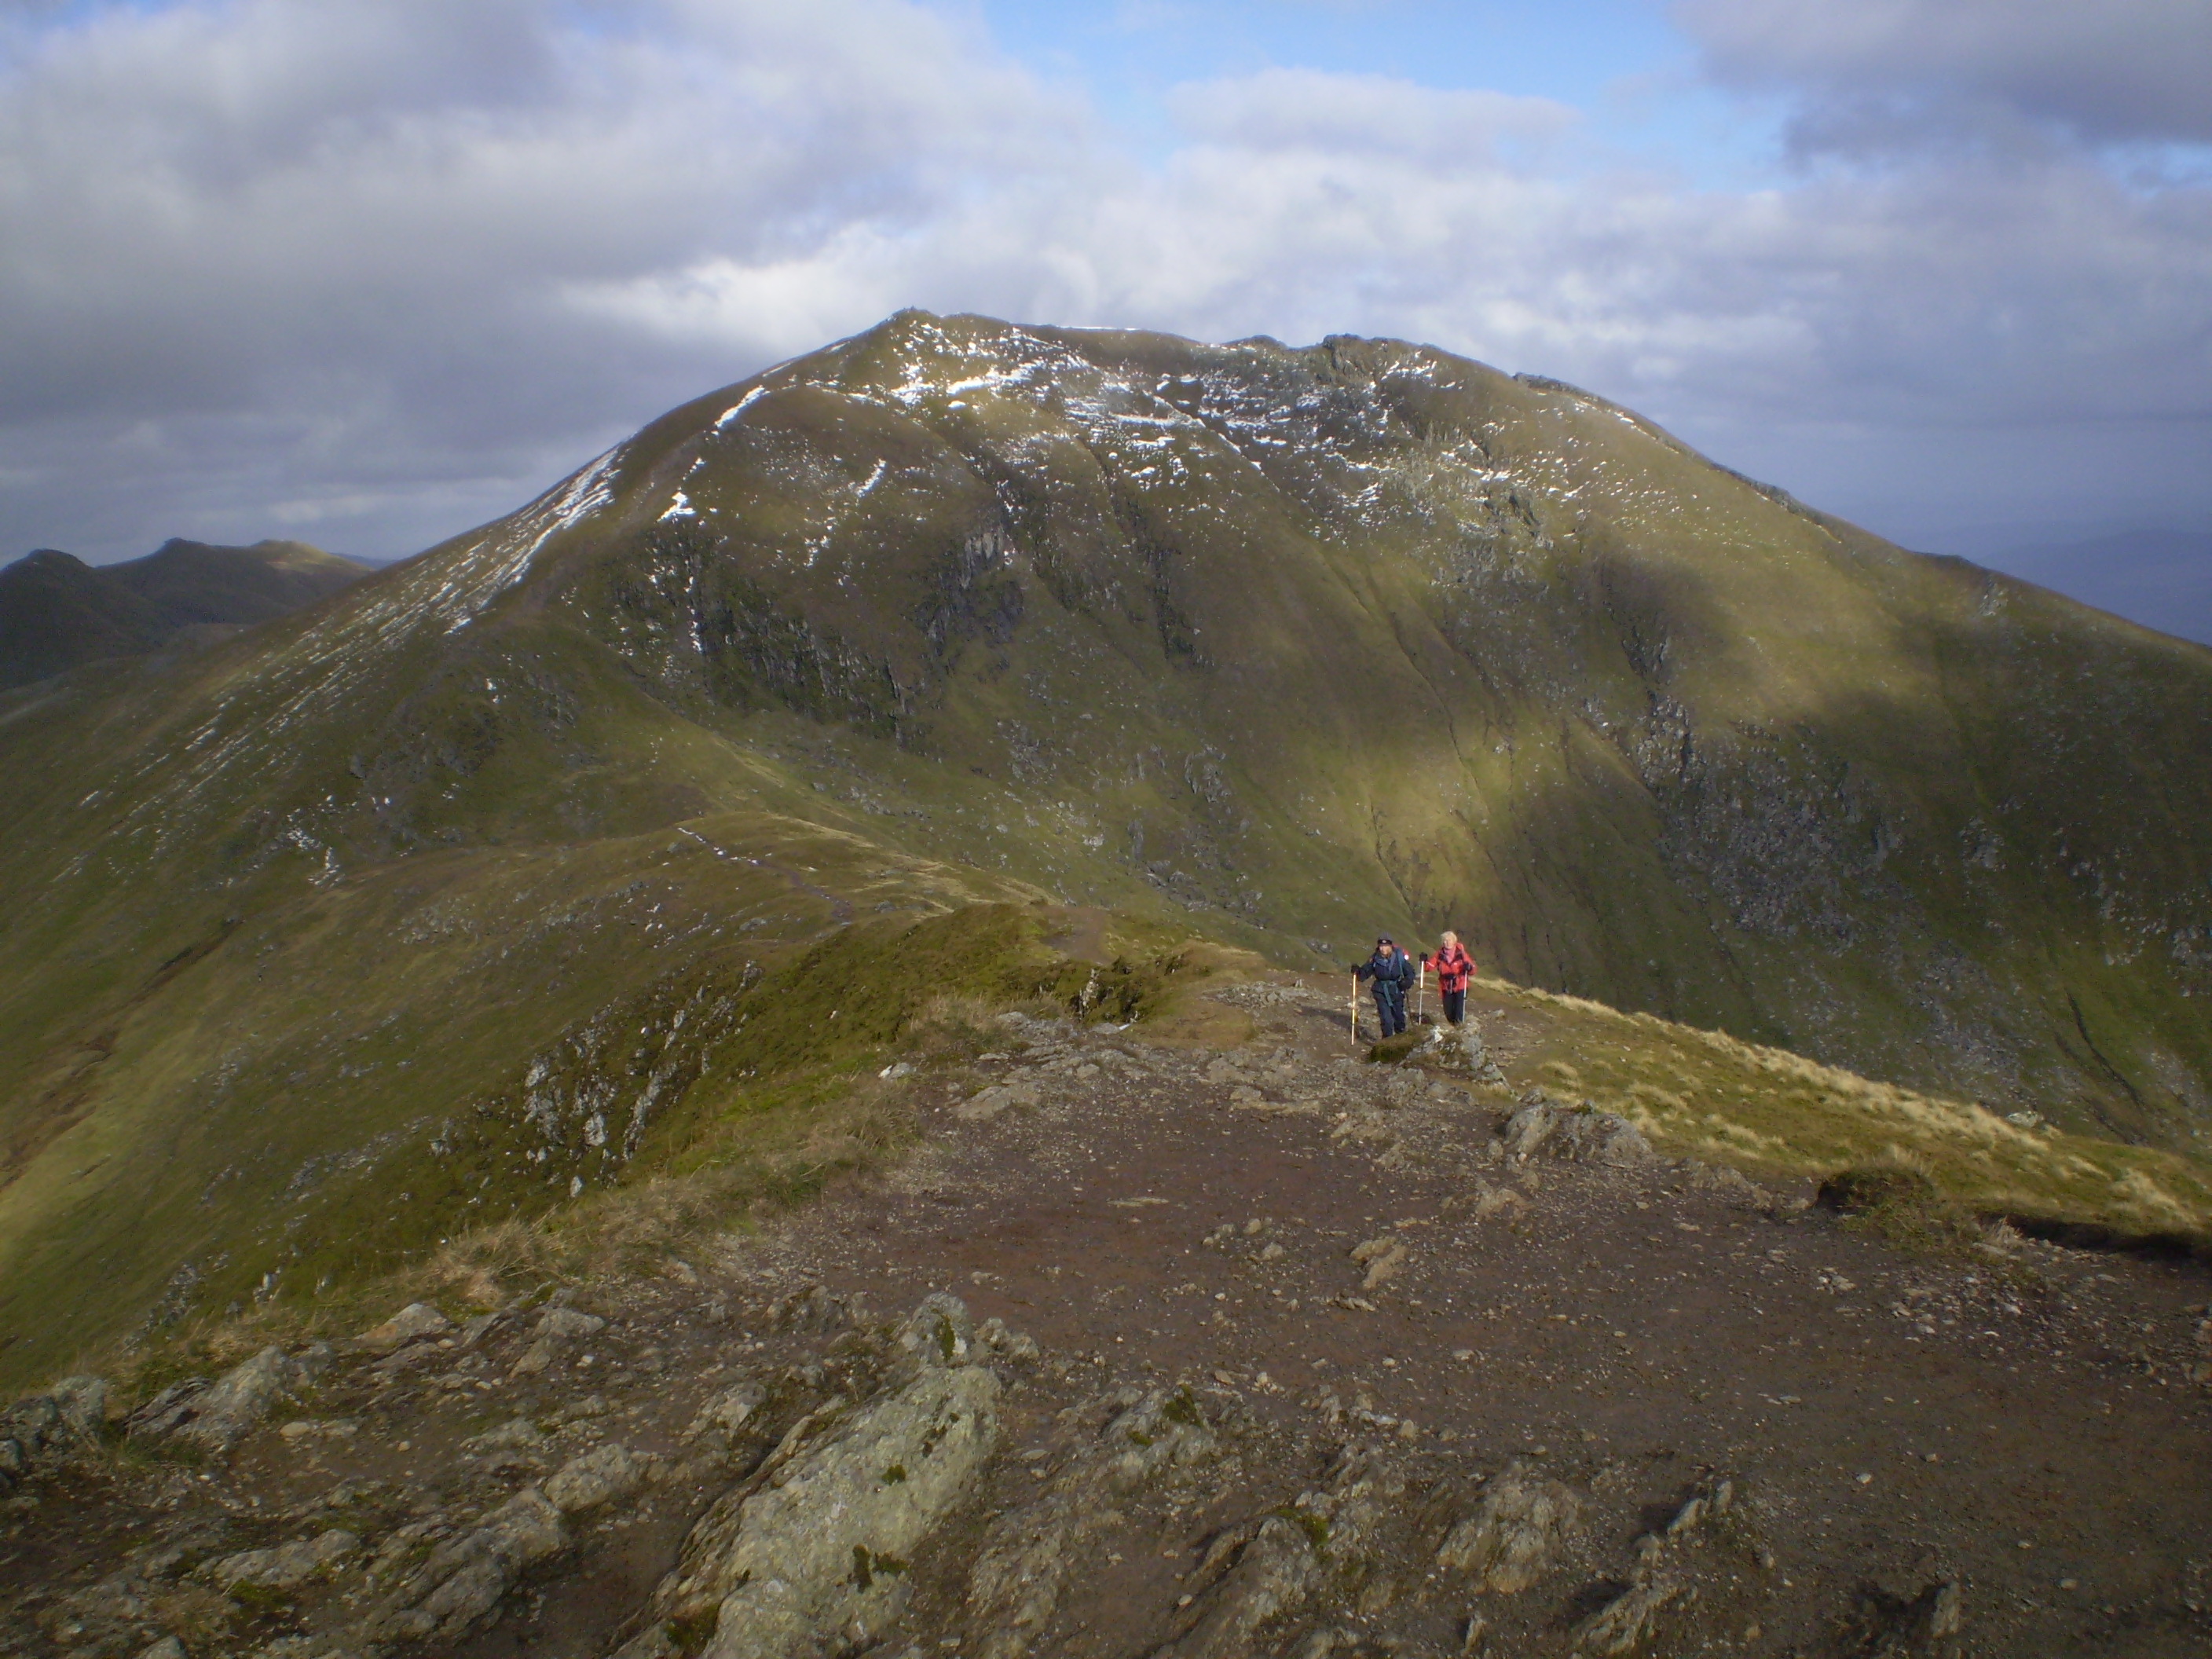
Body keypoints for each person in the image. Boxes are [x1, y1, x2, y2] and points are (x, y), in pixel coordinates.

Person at [1355, 936, 1413, 1037]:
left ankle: (1400, 1040)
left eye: (1385, 946)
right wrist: (1357, 972)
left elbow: (1410, 972)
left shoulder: (1399, 957)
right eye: (1381, 946)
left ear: (1390, 946)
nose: (1383, 949)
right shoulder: (1374, 958)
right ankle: (1387, 1041)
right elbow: (1364, 974)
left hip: (1397, 990)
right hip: (1380, 991)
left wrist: (1407, 982)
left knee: (1399, 1019)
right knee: (1386, 1019)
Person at [1425, 931, 1476, 1027]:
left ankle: (1460, 1029)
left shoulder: (1461, 953)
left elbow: (1473, 969)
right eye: (1444, 940)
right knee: (1448, 1012)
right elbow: (1428, 967)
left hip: (1460, 985)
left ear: (1454, 941)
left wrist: (1469, 967)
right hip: (1446, 986)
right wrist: (1424, 961)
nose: (1446, 942)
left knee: (1459, 1010)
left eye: (1449, 940)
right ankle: (1453, 1026)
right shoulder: (1439, 955)